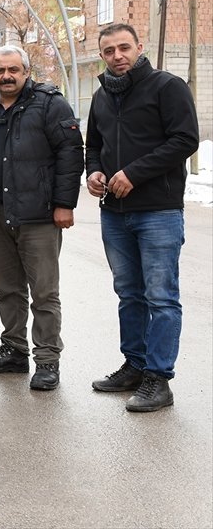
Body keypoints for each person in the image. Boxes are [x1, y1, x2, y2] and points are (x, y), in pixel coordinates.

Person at [85, 24, 199, 412]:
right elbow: (94, 145)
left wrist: (134, 173)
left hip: (159, 211)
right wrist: (95, 172)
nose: (117, 56)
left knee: (161, 298)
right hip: (114, 214)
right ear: (102, 55)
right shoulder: (101, 95)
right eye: (109, 50)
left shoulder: (167, 87)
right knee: (128, 294)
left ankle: (158, 378)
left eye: (124, 48)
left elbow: (185, 140)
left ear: (139, 47)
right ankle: (134, 366)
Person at [0, 45, 83, 391]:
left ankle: (46, 360)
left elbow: (71, 153)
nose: (6, 76)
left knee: (44, 292)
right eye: (0, 70)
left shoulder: (49, 103)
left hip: (39, 214)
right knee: (7, 289)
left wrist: (64, 203)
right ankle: (14, 350)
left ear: (26, 72)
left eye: (14, 70)